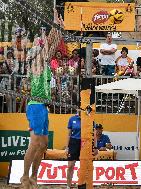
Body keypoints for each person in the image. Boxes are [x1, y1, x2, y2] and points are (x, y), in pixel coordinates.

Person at [20, 9, 64, 188]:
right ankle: (24, 177)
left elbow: (52, 46)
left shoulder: (44, 63)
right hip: (35, 105)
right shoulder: (36, 62)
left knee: (44, 144)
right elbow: (49, 46)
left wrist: (59, 29)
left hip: (43, 107)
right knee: (36, 142)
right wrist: (55, 25)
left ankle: (34, 177)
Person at [66, 111, 81, 189]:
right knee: (70, 165)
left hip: (84, 143)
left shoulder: (89, 118)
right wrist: (67, 147)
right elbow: (69, 134)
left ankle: (83, 184)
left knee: (85, 166)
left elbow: (93, 134)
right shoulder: (72, 118)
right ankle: (68, 185)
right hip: (73, 142)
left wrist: (94, 147)